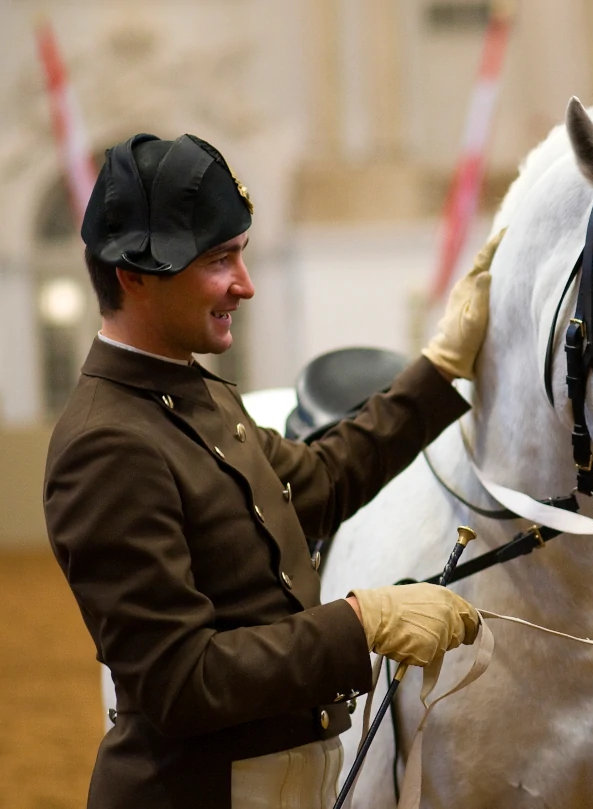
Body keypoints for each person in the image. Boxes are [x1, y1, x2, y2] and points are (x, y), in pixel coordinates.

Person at [43, 133, 502, 809]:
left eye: (242, 255)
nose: (245, 284)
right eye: (218, 260)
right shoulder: (105, 444)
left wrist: (439, 369)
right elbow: (180, 679)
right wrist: (360, 622)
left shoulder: (198, 395)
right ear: (133, 275)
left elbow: (320, 479)